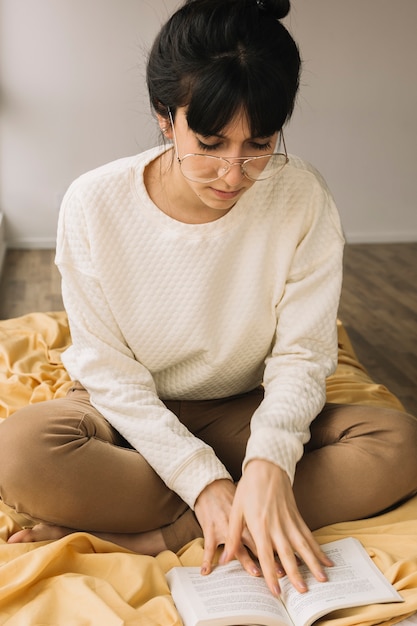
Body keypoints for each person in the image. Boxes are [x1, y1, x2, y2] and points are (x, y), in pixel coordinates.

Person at [1, 0, 417, 598]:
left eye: (260, 143)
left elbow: (302, 354)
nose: (234, 171)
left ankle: (162, 533)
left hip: (244, 407)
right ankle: (223, 510)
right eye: (211, 141)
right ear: (165, 118)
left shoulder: (301, 195)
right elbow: (108, 370)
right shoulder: (94, 202)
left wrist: (271, 462)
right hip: (125, 413)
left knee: (399, 445)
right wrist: (203, 480)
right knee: (20, 453)